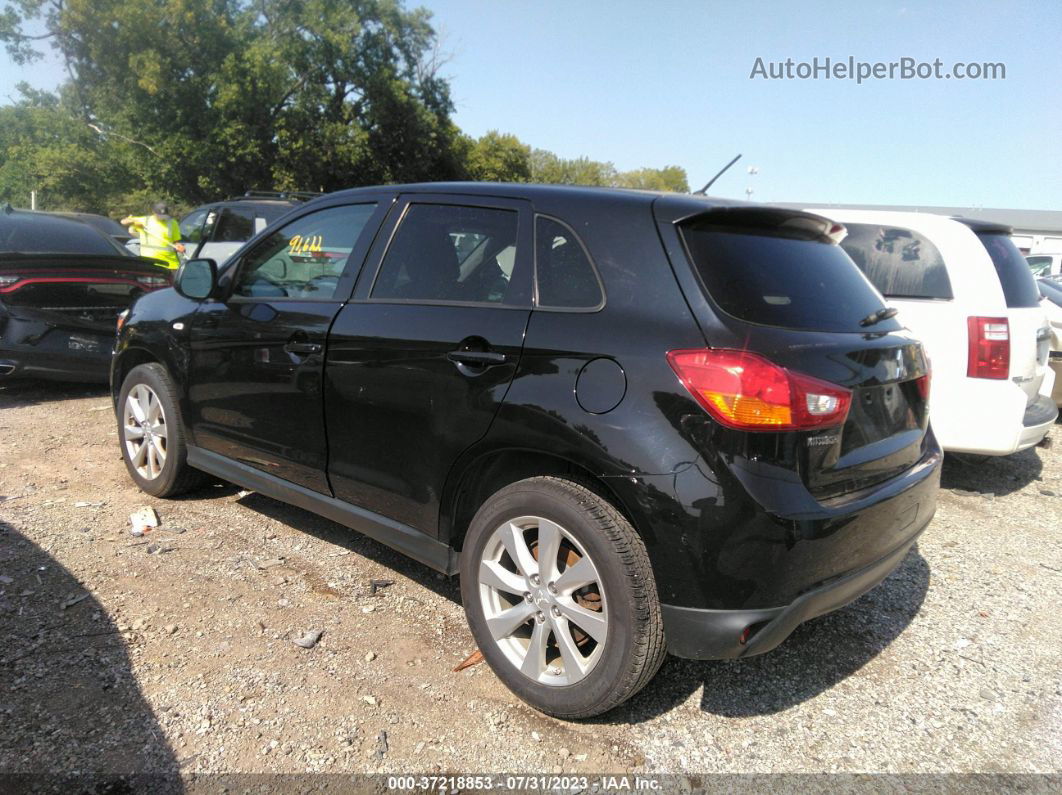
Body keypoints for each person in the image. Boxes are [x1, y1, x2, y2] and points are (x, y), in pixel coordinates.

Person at [121, 202, 186, 269]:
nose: (162, 217)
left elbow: (176, 242)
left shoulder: (172, 223)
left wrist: (179, 246)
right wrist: (131, 222)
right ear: (153, 212)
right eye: (159, 215)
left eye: (164, 215)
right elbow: (123, 221)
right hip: (150, 263)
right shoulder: (145, 220)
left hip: (170, 264)